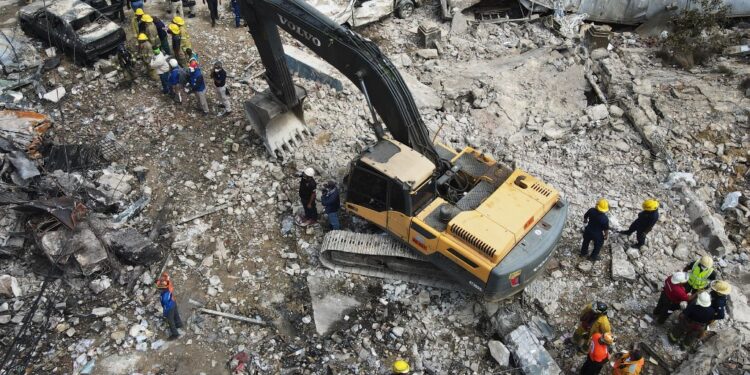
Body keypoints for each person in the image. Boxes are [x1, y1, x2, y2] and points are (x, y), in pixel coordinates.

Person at [155, 272, 182, 339]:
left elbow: (165, 305)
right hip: (173, 302)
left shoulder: (164, 295)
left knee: (170, 320)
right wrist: (164, 276)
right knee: (176, 314)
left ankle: (175, 334)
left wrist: (165, 313)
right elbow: (166, 277)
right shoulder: (168, 284)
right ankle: (179, 324)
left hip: (169, 306)